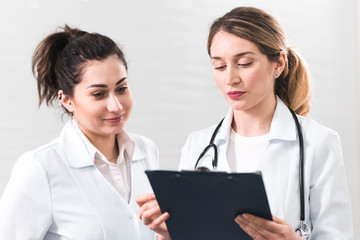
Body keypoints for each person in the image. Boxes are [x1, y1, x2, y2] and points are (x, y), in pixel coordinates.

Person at [136, 6, 354, 240]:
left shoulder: (318, 143)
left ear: (278, 63)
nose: (230, 79)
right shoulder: (197, 145)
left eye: (244, 63)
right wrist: (170, 233)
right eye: (219, 66)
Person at [0, 25, 158, 239]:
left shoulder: (146, 151)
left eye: (121, 89)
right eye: (99, 94)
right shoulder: (41, 168)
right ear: (67, 100)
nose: (116, 106)